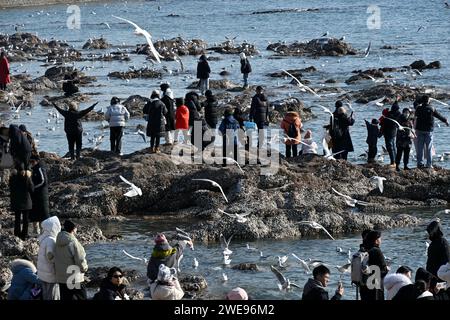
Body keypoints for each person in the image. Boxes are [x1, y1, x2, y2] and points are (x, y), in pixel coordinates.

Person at [55, 220, 88, 300]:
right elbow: (80, 259)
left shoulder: (58, 240)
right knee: (81, 297)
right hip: (74, 278)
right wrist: (84, 268)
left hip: (62, 278)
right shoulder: (73, 242)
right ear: (74, 229)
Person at [415, 95, 449, 169]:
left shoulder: (418, 108)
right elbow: (439, 116)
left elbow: (415, 116)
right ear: (428, 101)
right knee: (429, 148)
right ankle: (429, 164)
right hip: (428, 131)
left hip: (419, 130)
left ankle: (419, 164)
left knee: (420, 148)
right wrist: (445, 121)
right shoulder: (432, 108)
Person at [37, 216, 61, 300]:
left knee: (46, 294)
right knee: (53, 295)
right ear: (54, 227)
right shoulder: (51, 240)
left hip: (43, 274)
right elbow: (50, 256)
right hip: (50, 274)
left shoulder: (44, 238)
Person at [360, 230, 389, 301]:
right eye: (380, 238)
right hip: (375, 287)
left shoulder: (364, 249)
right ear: (376, 241)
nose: (381, 240)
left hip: (364, 285)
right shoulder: (377, 251)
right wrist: (387, 269)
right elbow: (382, 271)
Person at [10, 167, 34, 240]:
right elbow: (32, 189)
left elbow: (11, 188)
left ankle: (17, 234)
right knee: (25, 220)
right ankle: (24, 235)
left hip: (16, 202)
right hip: (26, 202)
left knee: (17, 219)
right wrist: (29, 178)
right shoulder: (27, 178)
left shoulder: (13, 177)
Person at [29, 155, 50, 236]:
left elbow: (43, 181)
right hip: (35, 195)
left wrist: (34, 187)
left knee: (42, 214)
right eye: (31, 162)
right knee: (35, 213)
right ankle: (36, 230)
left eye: (32, 161)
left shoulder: (40, 168)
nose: (31, 163)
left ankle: (42, 231)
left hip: (41, 195)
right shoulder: (34, 169)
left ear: (36, 161)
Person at [380, 101, 402, 167]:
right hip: (394, 132)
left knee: (389, 147)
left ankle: (393, 162)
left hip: (388, 132)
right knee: (393, 147)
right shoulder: (399, 114)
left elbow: (382, 121)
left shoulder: (389, 115)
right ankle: (396, 161)